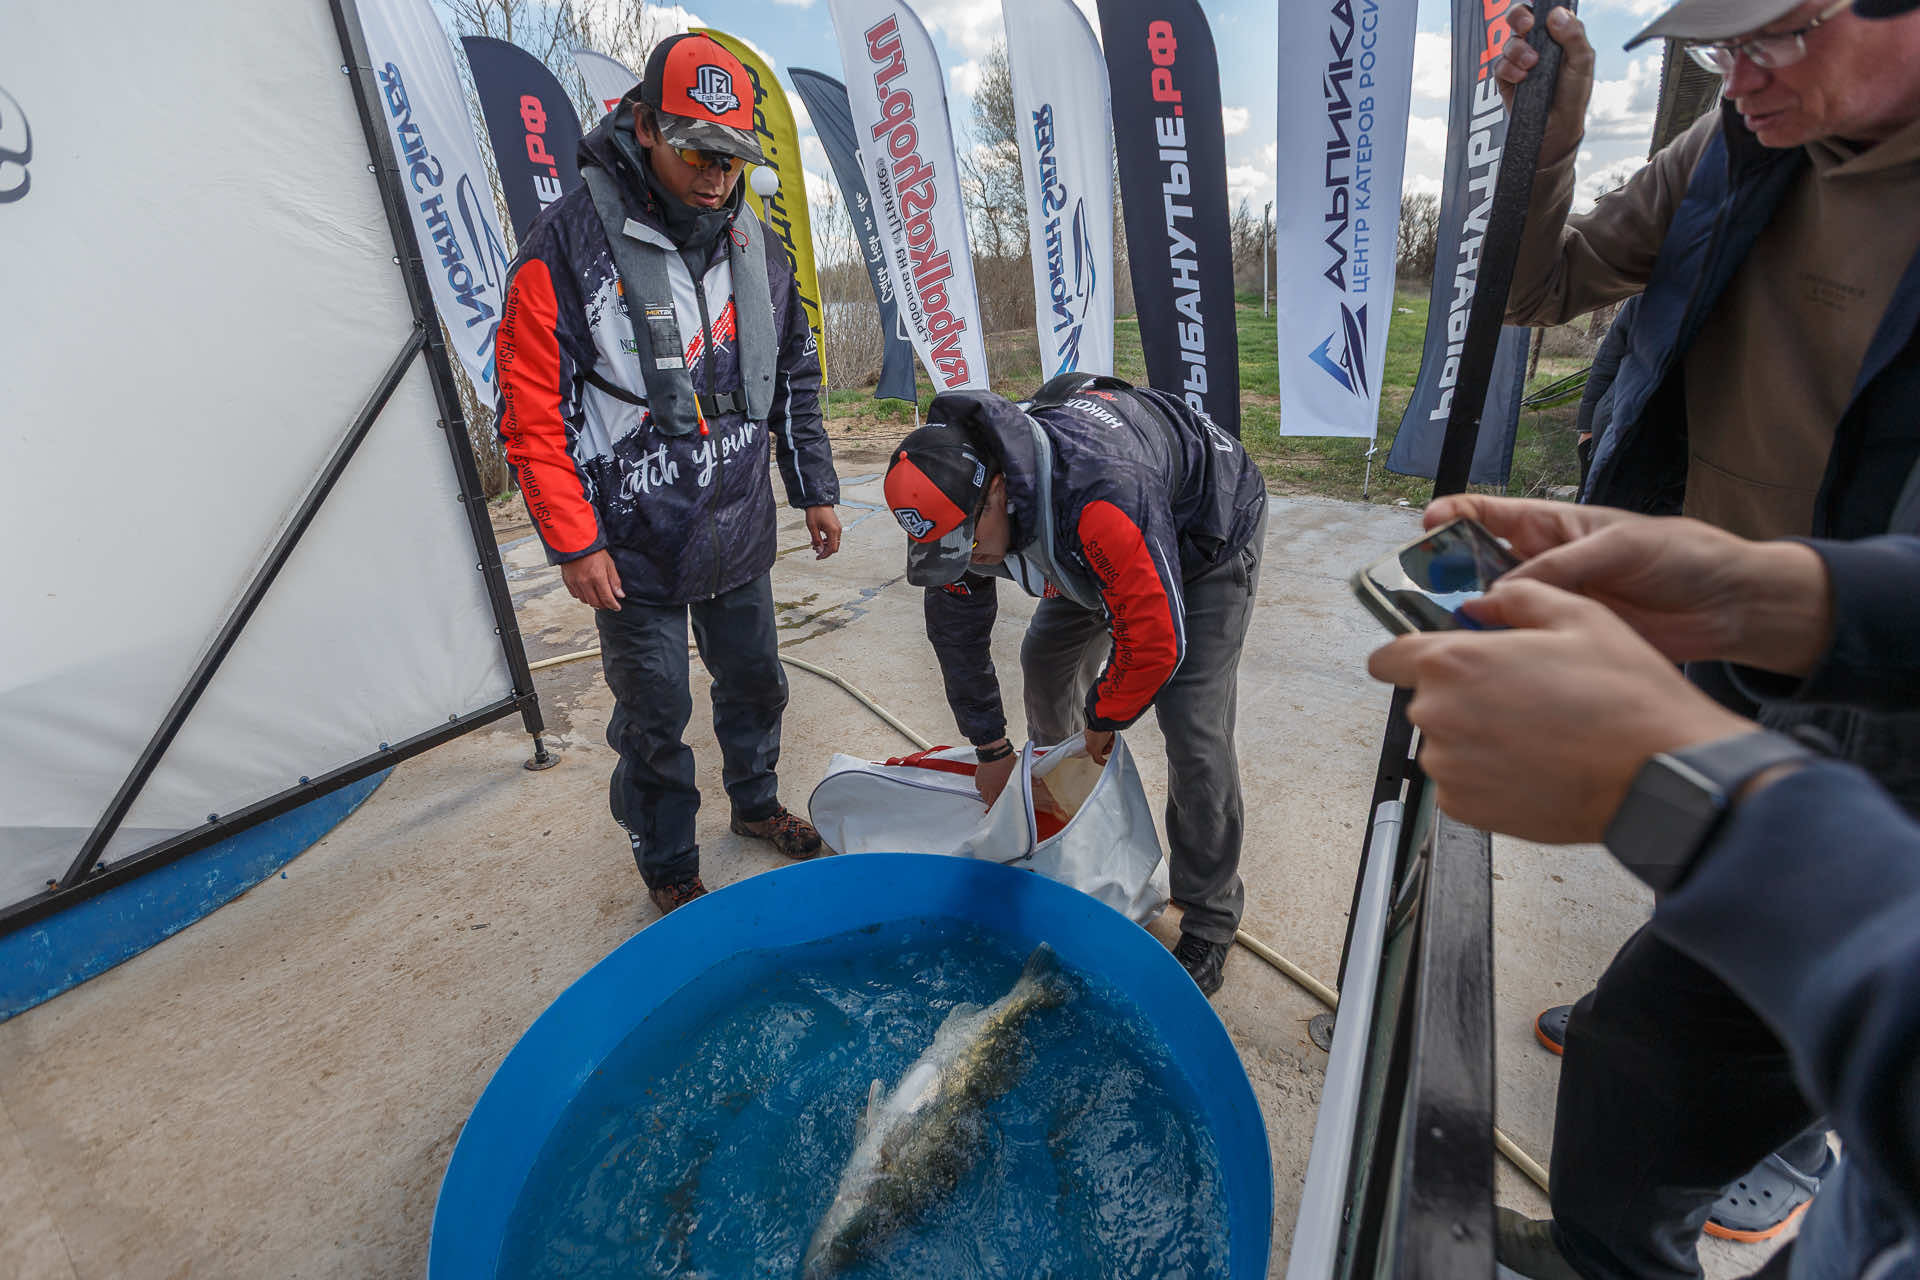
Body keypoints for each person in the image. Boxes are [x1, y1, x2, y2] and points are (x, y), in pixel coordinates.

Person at [1493, 0, 1920, 1256]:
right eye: (1717, 46)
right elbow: (1539, 286)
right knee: (1693, 885)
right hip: (1723, 628)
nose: (1741, 75)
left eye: (1777, 34)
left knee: (1661, 1038)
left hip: (1885, 700)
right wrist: (1547, 133)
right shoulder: (1731, 143)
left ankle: (1778, 1129)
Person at [1367, 493, 1920, 1280]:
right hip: (1849, 806)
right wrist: (1771, 594)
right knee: (1639, 1040)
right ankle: (1595, 1257)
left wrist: (1692, 808)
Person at [495, 34, 841, 917]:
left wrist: (816, 488)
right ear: (645, 126)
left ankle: (757, 803)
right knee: (654, 715)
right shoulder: (563, 248)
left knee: (758, 681)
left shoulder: (761, 250)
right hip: (633, 547)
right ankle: (670, 864)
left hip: (737, 525)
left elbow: (794, 371)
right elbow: (532, 414)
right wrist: (574, 542)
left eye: (731, 158)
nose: (716, 176)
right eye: (695, 151)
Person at [881, 375, 1268, 995]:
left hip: (1204, 535)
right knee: (1046, 660)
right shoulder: (966, 504)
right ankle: (1060, 816)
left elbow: (1155, 642)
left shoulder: (1100, 495)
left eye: (969, 544)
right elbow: (956, 633)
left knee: (1194, 729)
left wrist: (1104, 717)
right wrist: (990, 750)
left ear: (999, 492)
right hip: (1097, 543)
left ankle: (1210, 916)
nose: (969, 561)